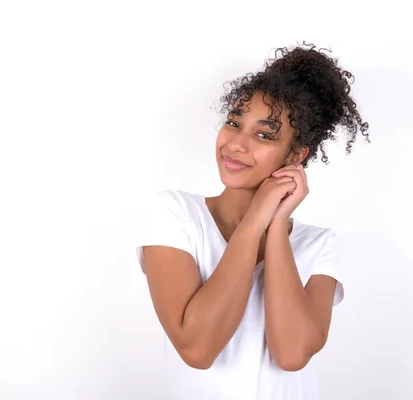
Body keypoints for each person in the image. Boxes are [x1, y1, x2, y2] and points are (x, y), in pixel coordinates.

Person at [136, 42, 369, 400]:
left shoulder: (320, 245)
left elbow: (291, 356)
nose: (236, 144)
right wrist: (253, 223)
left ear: (295, 155)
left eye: (264, 134)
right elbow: (197, 348)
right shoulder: (176, 215)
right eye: (233, 123)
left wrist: (275, 226)